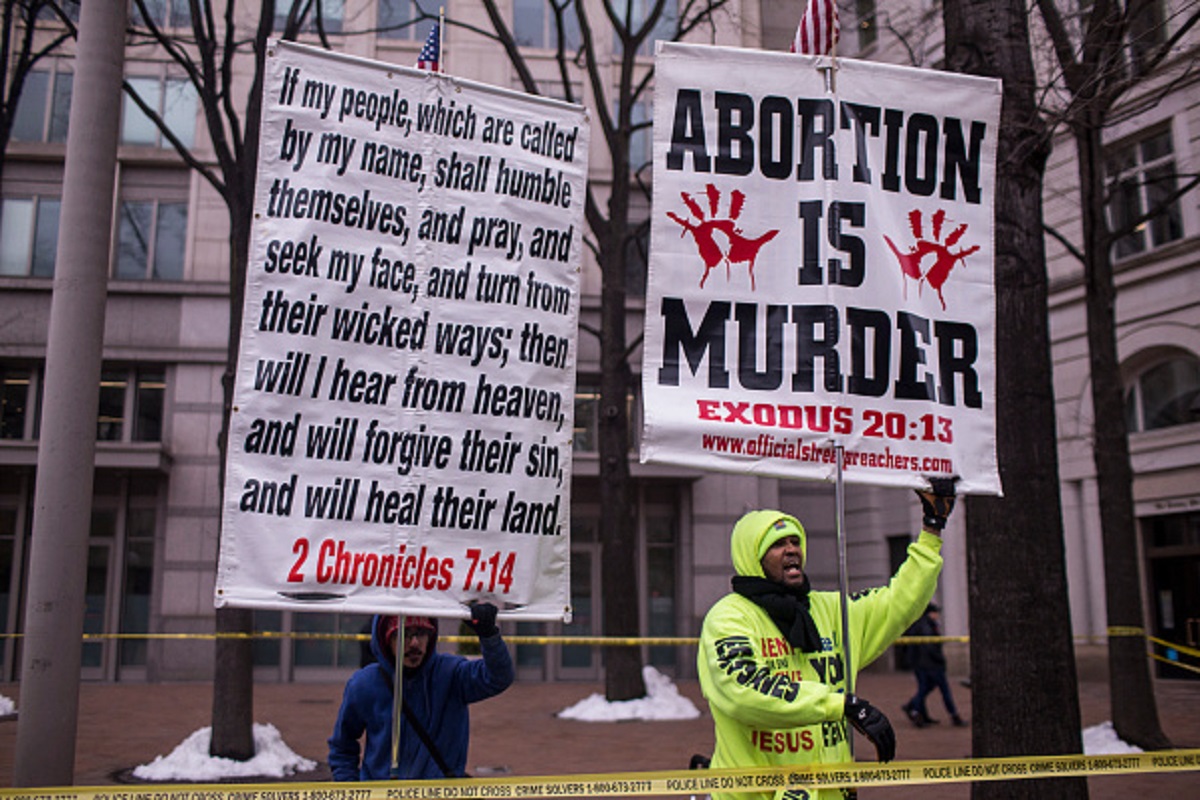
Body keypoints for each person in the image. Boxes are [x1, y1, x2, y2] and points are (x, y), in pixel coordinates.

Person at [697, 479, 957, 800]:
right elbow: (743, 691)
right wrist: (840, 705)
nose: (792, 549)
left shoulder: (831, 610)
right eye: (778, 544)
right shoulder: (729, 618)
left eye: (796, 541)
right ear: (752, 556)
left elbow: (900, 602)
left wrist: (932, 531)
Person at [328, 604, 514, 780]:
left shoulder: (451, 675)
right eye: (404, 634)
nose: (415, 643)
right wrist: (350, 789)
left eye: (422, 633)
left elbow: (498, 678)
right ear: (386, 639)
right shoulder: (364, 684)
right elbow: (342, 746)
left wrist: (489, 635)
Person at [901, 603, 967, 728]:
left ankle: (916, 710)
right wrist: (940, 660)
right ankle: (953, 715)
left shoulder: (922, 624)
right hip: (931, 664)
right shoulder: (927, 626)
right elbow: (930, 647)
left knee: (924, 689)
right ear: (930, 613)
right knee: (942, 690)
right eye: (935, 612)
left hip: (922, 664)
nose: (937, 615)